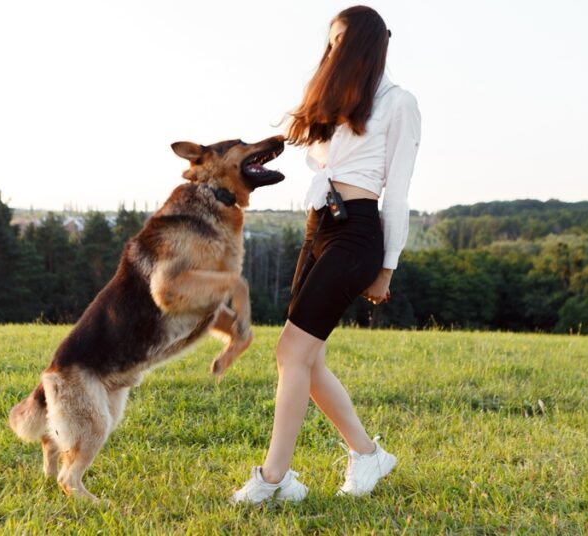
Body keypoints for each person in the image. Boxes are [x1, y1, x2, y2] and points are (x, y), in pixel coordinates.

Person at [231, 5, 422, 504]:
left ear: (361, 44)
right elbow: (319, 156)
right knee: (307, 358)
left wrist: (387, 267)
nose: (330, 50)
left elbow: (397, 192)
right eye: (329, 41)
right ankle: (367, 455)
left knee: (290, 352)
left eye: (338, 41)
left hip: (356, 233)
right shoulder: (346, 101)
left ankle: (274, 480)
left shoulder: (399, 103)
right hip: (319, 224)